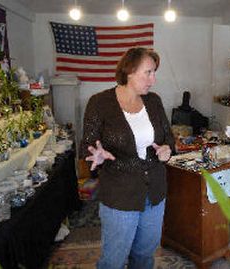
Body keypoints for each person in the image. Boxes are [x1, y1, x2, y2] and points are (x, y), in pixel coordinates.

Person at [81, 47, 175, 269]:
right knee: (113, 260)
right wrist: (97, 154)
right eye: (148, 72)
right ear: (130, 70)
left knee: (144, 256)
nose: (153, 80)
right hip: (120, 195)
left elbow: (169, 138)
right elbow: (87, 145)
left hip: (155, 193)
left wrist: (167, 150)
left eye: (154, 72)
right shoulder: (100, 102)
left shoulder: (153, 101)